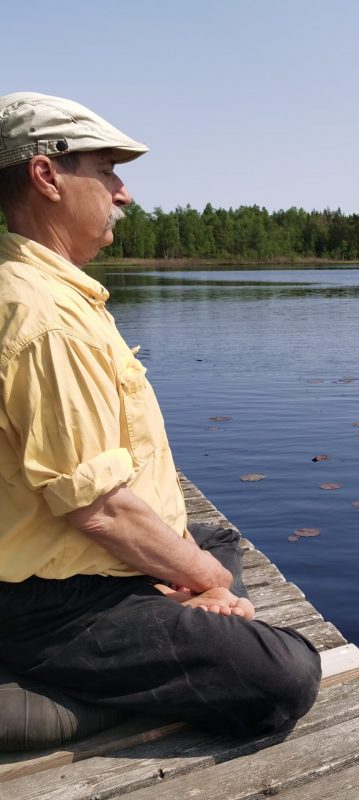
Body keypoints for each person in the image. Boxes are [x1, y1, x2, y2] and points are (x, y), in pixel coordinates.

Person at [0, 92, 321, 738]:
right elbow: (99, 508)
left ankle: (157, 635)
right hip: (55, 603)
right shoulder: (43, 319)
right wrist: (203, 582)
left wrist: (197, 577)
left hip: (78, 565)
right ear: (46, 176)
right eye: (107, 170)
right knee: (286, 675)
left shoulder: (51, 291)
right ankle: (43, 704)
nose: (123, 192)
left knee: (217, 539)